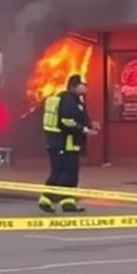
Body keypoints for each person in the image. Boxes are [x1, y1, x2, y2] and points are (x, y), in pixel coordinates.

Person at [39, 74, 100, 213]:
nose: (86, 88)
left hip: (70, 144)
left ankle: (68, 203)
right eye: (83, 85)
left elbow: (80, 118)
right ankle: (46, 199)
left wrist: (91, 125)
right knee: (60, 172)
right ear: (74, 86)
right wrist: (83, 130)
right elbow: (66, 121)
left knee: (71, 173)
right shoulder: (66, 100)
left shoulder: (77, 100)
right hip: (62, 143)